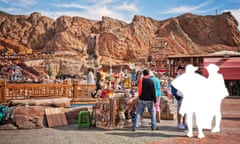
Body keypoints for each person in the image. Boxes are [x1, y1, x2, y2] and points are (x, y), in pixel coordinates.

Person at [205, 63, 229, 133]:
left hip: (216, 96)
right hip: (211, 96)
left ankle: (217, 126)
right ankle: (210, 124)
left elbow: (221, 86)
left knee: (216, 111)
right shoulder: (210, 76)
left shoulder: (218, 76)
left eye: (209, 69)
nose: (208, 70)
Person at [171, 65, 186, 129]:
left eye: (183, 70)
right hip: (180, 96)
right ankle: (179, 123)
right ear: (178, 70)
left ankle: (184, 123)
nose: (182, 71)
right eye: (181, 70)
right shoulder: (178, 77)